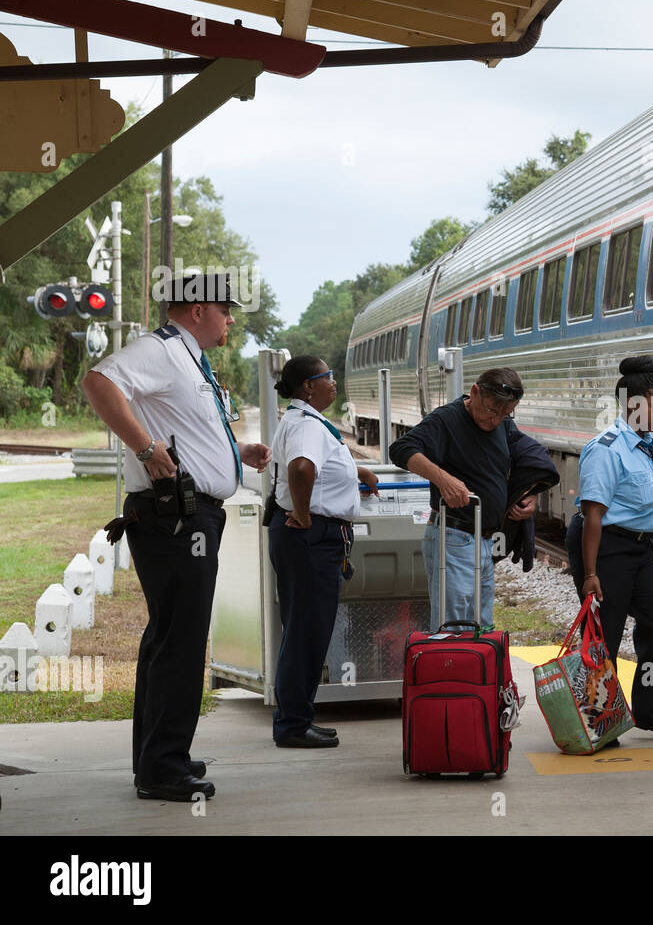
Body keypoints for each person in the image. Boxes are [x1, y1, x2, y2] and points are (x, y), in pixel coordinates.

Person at [82, 272, 271, 801]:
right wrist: (145, 450)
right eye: (225, 308)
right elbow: (99, 382)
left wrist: (239, 454)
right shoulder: (160, 350)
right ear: (195, 309)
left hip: (190, 515)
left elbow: (188, 428)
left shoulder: (187, 356)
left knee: (170, 637)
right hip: (176, 519)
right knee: (181, 641)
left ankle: (162, 753)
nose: (231, 318)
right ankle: (162, 767)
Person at [566, 356, 653, 741]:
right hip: (607, 549)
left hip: (644, 550)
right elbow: (593, 515)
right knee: (604, 635)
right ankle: (596, 719)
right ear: (634, 405)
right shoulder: (606, 449)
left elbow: (650, 500)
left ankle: (651, 713)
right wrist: (591, 574)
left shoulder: (647, 447)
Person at [266, 355, 380, 748]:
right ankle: (293, 725)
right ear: (308, 386)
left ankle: (296, 717)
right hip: (309, 538)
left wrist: (357, 472)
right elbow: (301, 469)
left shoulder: (306, 421)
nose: (334, 382)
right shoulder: (306, 425)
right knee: (306, 633)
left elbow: (316, 465)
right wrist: (303, 515)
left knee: (305, 630)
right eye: (327, 377)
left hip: (306, 537)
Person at [389, 369, 539, 629]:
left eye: (506, 414)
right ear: (475, 392)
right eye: (492, 410)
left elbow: (521, 454)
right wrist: (442, 478)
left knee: (481, 626)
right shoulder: (446, 419)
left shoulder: (502, 421)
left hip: (484, 539)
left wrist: (530, 493)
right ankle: (452, 670)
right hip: (454, 538)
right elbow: (401, 449)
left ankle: (475, 670)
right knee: (454, 628)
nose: (496, 420)